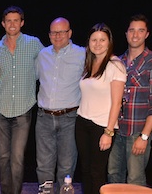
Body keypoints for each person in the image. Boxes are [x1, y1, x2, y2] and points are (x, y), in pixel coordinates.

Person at [108, 14, 152, 186]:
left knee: (135, 179)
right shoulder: (117, 62)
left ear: (147, 34)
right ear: (126, 33)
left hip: (138, 130)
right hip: (117, 129)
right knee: (113, 175)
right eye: (132, 30)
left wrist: (144, 136)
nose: (135, 35)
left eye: (140, 31)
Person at [0, 6, 44, 194]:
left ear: (22, 22)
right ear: (3, 24)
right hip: (1, 110)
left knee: (18, 158)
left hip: (23, 110)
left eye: (16, 20)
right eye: (8, 21)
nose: (12, 24)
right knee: (3, 158)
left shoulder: (34, 43)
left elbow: (46, 67)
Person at [35, 17, 85, 190]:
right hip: (44, 117)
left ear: (69, 33)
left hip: (69, 117)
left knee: (66, 164)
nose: (57, 36)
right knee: (43, 164)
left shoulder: (82, 54)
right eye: (53, 32)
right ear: (49, 35)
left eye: (61, 32)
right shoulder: (43, 55)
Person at [76, 23, 126, 194]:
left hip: (102, 127)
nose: (97, 44)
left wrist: (108, 132)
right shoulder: (89, 63)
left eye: (102, 40)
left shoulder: (115, 65)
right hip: (82, 122)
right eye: (94, 40)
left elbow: (117, 102)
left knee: (97, 172)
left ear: (109, 41)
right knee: (85, 170)